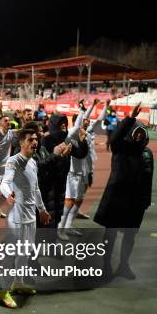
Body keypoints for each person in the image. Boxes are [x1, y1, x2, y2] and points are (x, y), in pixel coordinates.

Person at [94, 103, 154, 280]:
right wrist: (130, 118)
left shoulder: (147, 153)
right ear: (130, 134)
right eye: (136, 134)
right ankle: (105, 266)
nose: (139, 137)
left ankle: (123, 266)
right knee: (110, 233)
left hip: (136, 202)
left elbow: (148, 177)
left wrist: (146, 200)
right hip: (117, 198)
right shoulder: (121, 148)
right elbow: (114, 139)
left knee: (130, 234)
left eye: (142, 134)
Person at [0, 129, 51, 308]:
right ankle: (3, 291)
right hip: (16, 217)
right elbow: (4, 183)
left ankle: (18, 283)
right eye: (30, 140)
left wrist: (42, 209)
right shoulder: (14, 161)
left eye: (36, 139)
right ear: (21, 143)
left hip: (30, 216)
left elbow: (35, 189)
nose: (34, 142)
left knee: (25, 253)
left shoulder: (33, 162)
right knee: (11, 254)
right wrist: (8, 195)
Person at [58, 99, 99, 237]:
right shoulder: (71, 135)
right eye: (85, 120)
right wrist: (84, 109)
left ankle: (68, 225)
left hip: (84, 172)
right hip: (72, 173)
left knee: (79, 200)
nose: (87, 122)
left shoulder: (86, 136)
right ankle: (60, 228)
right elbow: (77, 126)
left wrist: (89, 173)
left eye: (88, 120)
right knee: (69, 201)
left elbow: (88, 156)